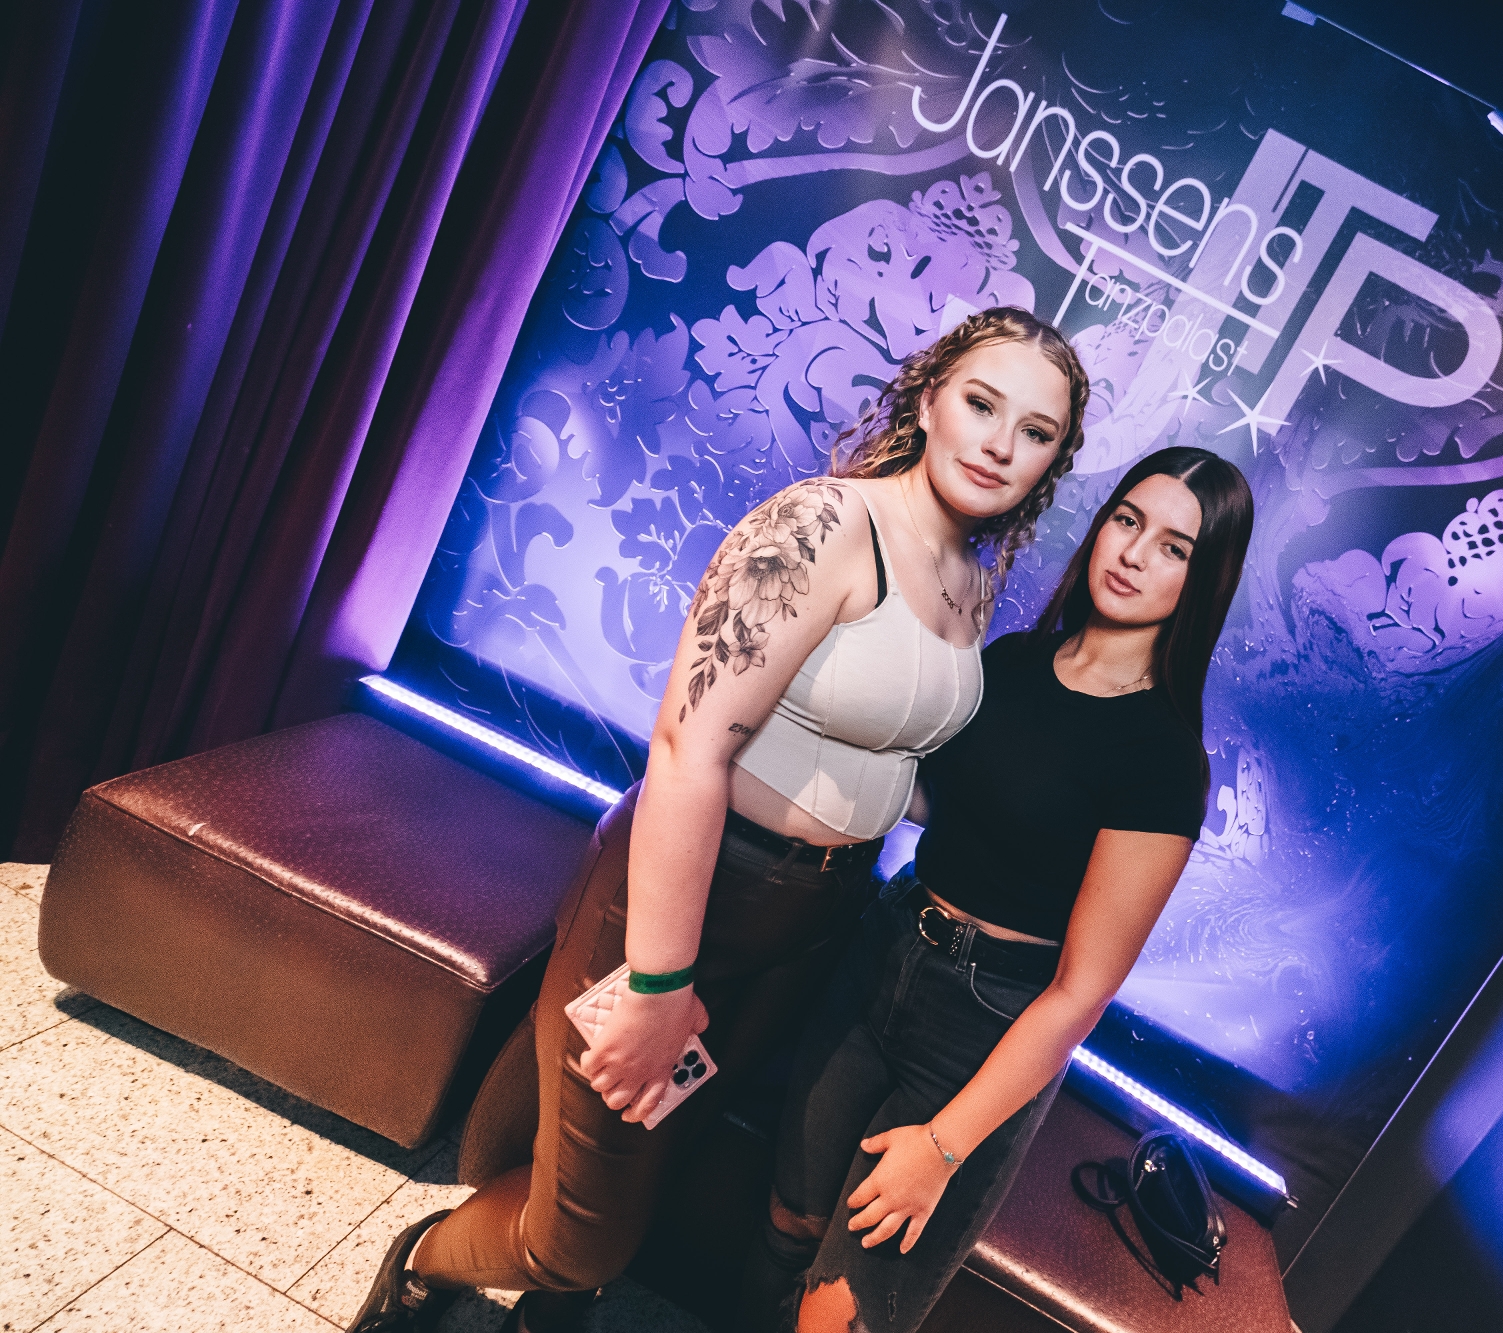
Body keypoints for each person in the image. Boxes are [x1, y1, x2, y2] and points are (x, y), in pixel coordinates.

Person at [348, 306, 1090, 1333]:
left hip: (817, 921)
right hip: (693, 891)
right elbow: (686, 749)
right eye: (980, 403)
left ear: (1051, 462)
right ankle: (423, 1264)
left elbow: (887, 754)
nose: (1000, 442)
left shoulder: (969, 580)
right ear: (929, 401)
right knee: (580, 1233)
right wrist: (658, 980)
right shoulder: (824, 524)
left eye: (1035, 431)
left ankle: (550, 1316)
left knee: (667, 1152)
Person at [744, 445, 1255, 1333]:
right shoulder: (1016, 660)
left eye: (1175, 547)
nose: (1134, 554)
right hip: (885, 948)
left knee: (838, 1319)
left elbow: (1082, 991)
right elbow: (941, 802)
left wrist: (944, 1148)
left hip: (985, 1025)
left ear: (1203, 580)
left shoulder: (1165, 759)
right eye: (1128, 520)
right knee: (788, 1221)